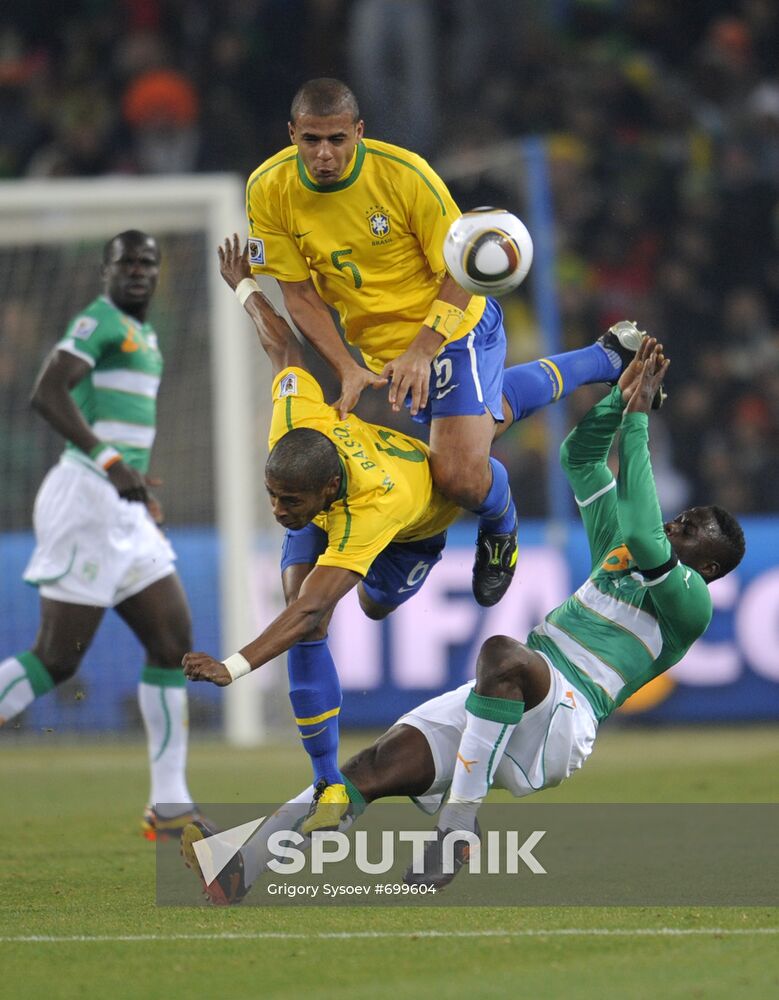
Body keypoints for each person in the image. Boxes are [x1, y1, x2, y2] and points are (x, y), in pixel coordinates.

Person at [181, 338, 746, 903]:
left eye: (692, 529)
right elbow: (580, 456)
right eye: (682, 517)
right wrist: (619, 402)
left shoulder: (689, 603)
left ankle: (455, 829)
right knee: (370, 766)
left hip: (565, 718)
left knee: (502, 654)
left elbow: (647, 536)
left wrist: (640, 421)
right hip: (512, 696)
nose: (677, 525)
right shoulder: (616, 551)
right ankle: (239, 866)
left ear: (712, 564)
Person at [183, 236, 645, 833]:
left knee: (373, 589)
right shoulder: (295, 423)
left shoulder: (374, 507)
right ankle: (327, 783)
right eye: (272, 495)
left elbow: (308, 609)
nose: (276, 509)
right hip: (346, 495)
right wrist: (245, 286)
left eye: (287, 501)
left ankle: (498, 514)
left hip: (417, 521)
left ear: (327, 494)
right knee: (310, 621)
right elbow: (284, 348)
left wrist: (235, 666)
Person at [245, 77, 634, 608]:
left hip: (452, 328)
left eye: (337, 139)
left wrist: (424, 350)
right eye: (311, 140)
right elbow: (299, 295)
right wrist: (346, 366)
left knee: (456, 474)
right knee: (483, 417)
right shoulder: (268, 190)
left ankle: (501, 526)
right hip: (383, 353)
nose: (324, 154)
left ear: (359, 132)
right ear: (292, 134)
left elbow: (463, 266)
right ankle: (605, 356)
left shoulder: (405, 176)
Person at [0, 231, 198, 842]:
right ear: (105, 270)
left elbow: (120, 425)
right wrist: (113, 465)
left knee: (173, 643)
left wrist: (136, 484)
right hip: (86, 498)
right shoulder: (100, 320)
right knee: (57, 659)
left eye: (148, 262)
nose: (138, 271)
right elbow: (46, 391)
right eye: (126, 262)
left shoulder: (147, 334)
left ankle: (169, 808)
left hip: (123, 510)